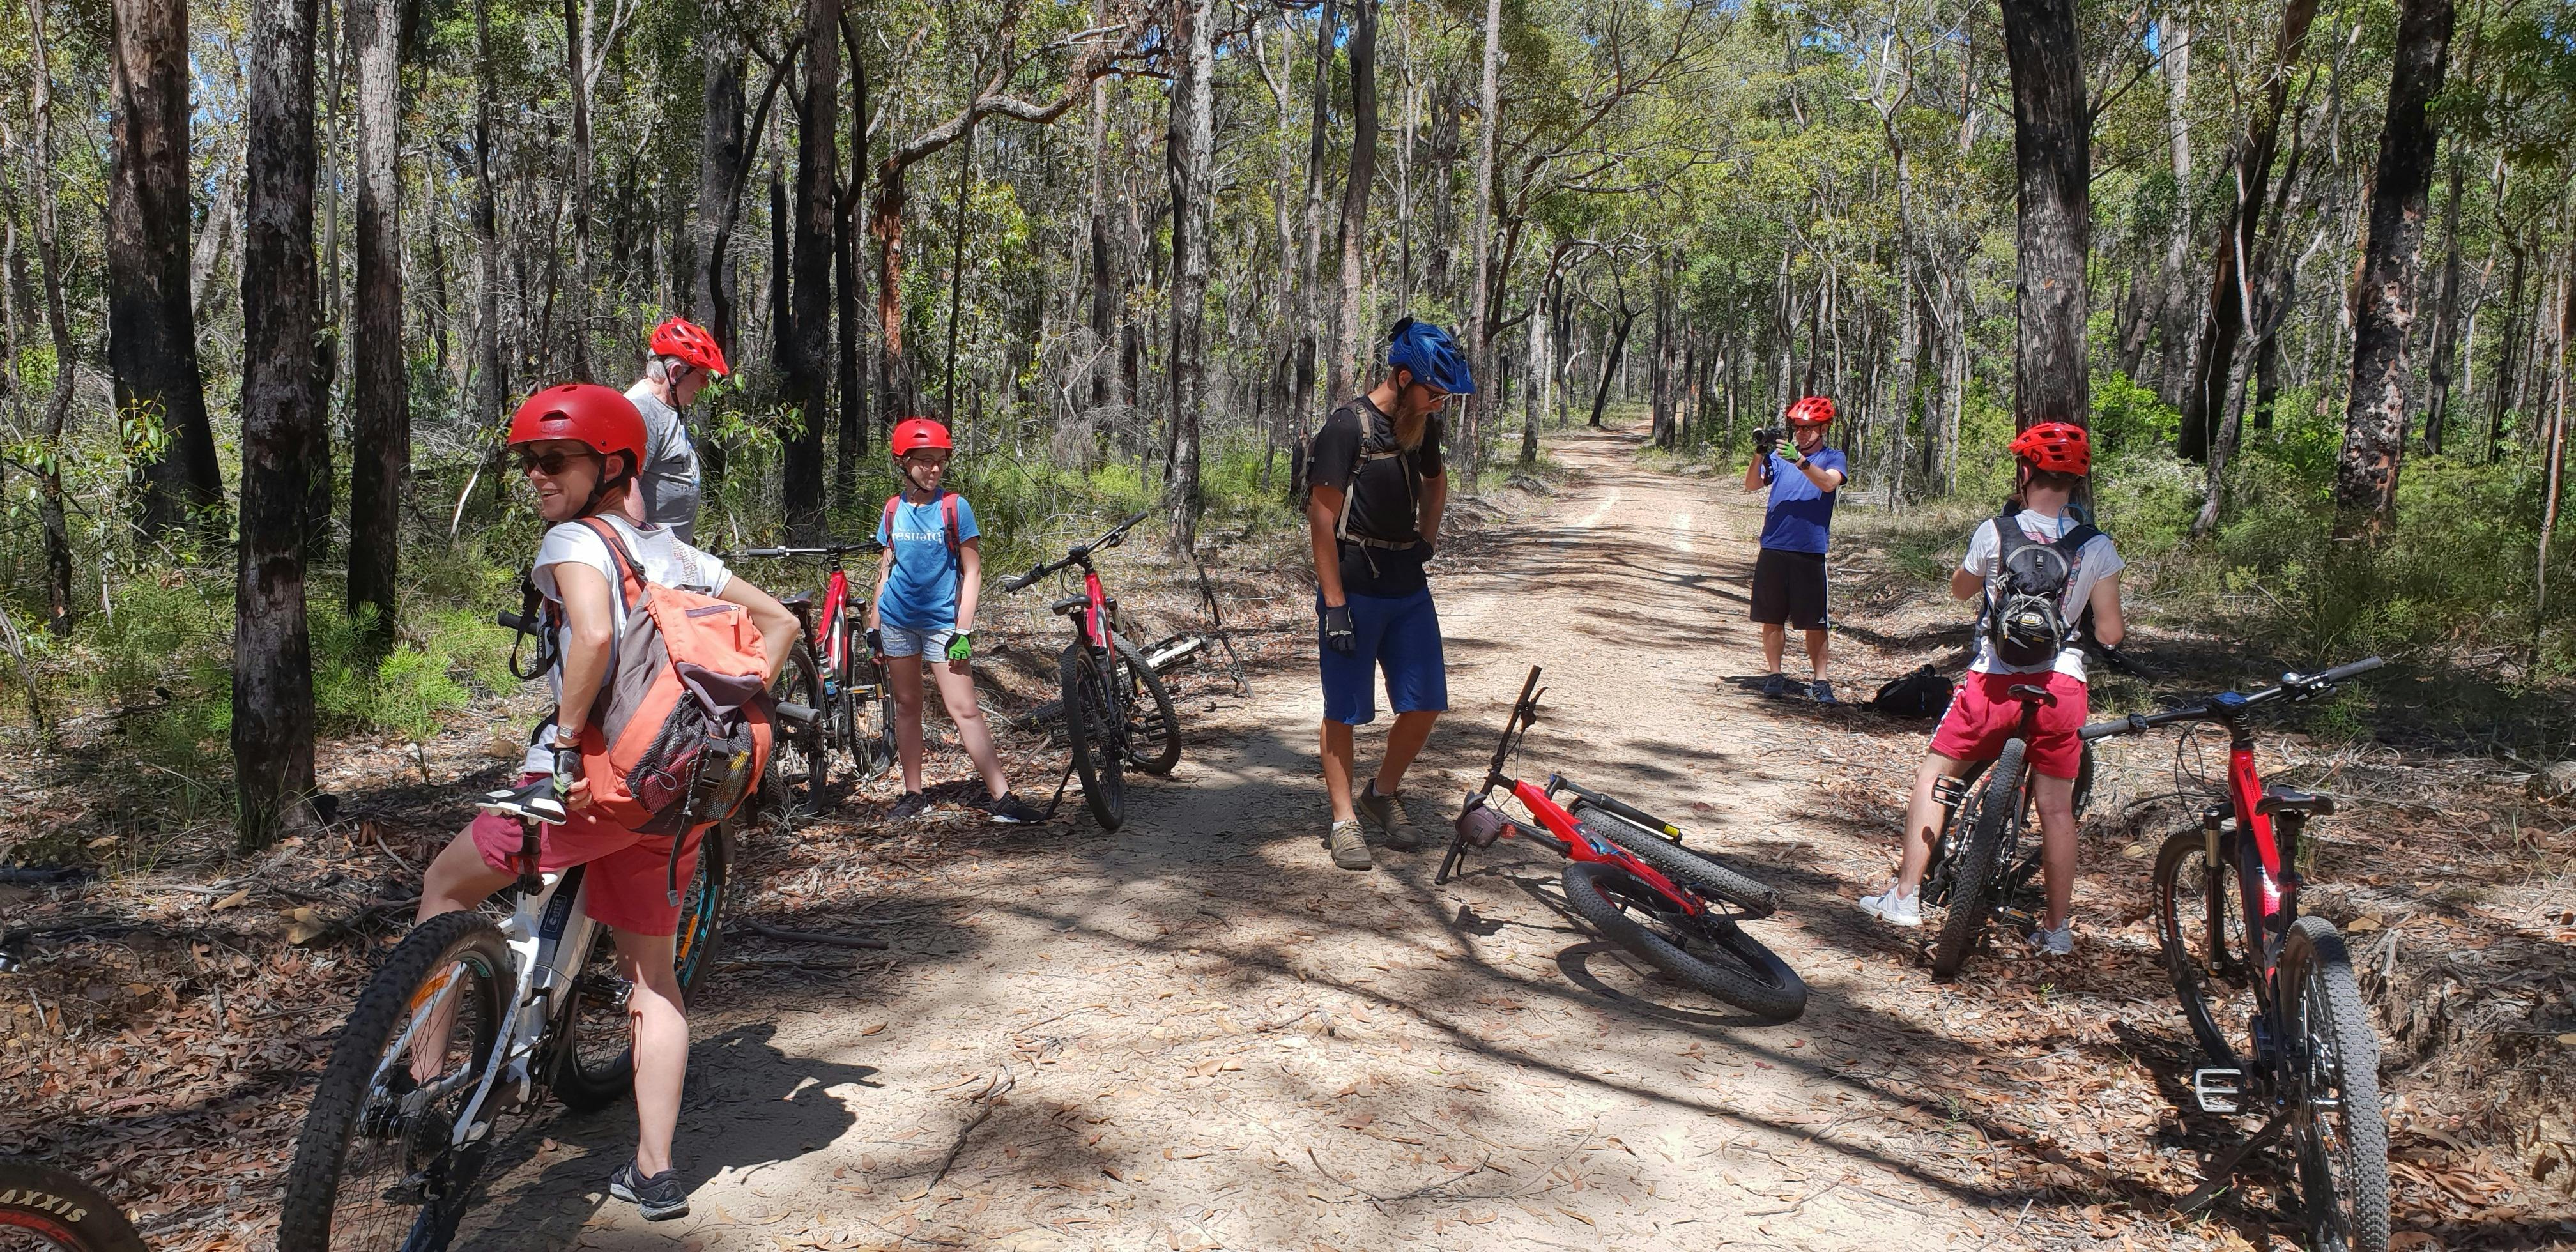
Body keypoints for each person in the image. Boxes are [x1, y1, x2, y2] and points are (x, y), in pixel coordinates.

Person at [417, 383, 799, 1220]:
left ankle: (426, 1093)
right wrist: (732, 698)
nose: (536, 475)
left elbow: (592, 635)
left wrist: (560, 742)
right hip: (674, 790)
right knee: (653, 979)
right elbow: (781, 627)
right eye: (528, 460)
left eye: (554, 459)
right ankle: (656, 1174)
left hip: (585, 781)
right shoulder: (677, 554)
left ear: (614, 465)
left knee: (445, 889)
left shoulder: (573, 542)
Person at [1858, 421, 2125, 956]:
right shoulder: (2096, 545)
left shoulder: (1995, 532)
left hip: (1993, 683)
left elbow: (1960, 591)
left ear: (2025, 472)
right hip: (2060, 688)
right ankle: (2056, 930)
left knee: (1935, 775)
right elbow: (2112, 632)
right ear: (2077, 481)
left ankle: (1906, 895)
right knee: (2055, 809)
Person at [1304, 317, 1472, 871]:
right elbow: (1322, 520)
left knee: (1424, 704)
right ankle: (1344, 822)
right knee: (1344, 711)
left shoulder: (1421, 423)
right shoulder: (1346, 428)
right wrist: (1334, 605)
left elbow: (1435, 480)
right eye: (1434, 392)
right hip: (1354, 588)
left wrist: (1428, 536)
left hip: (1408, 588)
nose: (1440, 403)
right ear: (1403, 378)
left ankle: (1381, 793)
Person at [866, 416, 1048, 824]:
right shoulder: (893, 509)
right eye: (925, 460)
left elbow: (973, 572)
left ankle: (1001, 798)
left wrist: (962, 631)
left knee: (964, 708)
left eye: (940, 461)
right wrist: (875, 625)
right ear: (904, 461)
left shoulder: (954, 507)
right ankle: (913, 794)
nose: (933, 469)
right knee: (907, 706)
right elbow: (886, 569)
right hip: (896, 622)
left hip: (942, 626)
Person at [1743, 396, 1849, 703]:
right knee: (1772, 617)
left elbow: (1829, 484)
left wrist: (1800, 462)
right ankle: (1775, 674)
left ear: (1824, 428)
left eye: (1808, 428)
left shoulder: (1833, 457)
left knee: (1814, 621)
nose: (1801, 434)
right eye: (1797, 428)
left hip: (1809, 549)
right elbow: (1752, 485)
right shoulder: (1779, 458)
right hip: (1774, 545)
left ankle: (1821, 680)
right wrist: (1760, 455)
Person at [622, 316, 730, 543]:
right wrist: (639, 554)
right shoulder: (642, 411)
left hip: (673, 554)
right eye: (702, 376)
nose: (706, 385)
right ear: (676, 373)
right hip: (652, 562)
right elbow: (626, 488)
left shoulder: (668, 405)